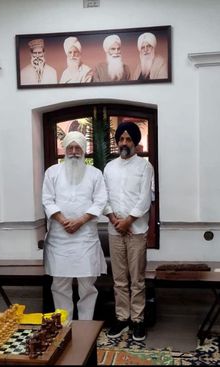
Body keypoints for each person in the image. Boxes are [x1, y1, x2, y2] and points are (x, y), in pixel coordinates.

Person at [42, 131, 107, 320]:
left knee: (87, 285)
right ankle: (64, 326)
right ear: (64, 149)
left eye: (77, 147)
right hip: (59, 238)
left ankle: (86, 326)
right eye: (70, 147)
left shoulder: (95, 174)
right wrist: (63, 221)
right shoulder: (52, 172)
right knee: (60, 285)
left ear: (84, 150)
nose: (73, 152)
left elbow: (100, 201)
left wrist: (80, 221)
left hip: (85, 237)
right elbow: (47, 199)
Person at [103, 122, 154, 341]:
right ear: (117, 141)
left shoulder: (145, 167)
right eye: (121, 139)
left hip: (137, 230)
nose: (124, 143)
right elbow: (103, 196)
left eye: (128, 139)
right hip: (115, 230)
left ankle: (138, 321)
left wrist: (128, 221)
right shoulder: (109, 167)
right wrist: (114, 219)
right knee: (119, 280)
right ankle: (122, 319)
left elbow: (144, 199)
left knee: (137, 279)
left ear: (135, 142)